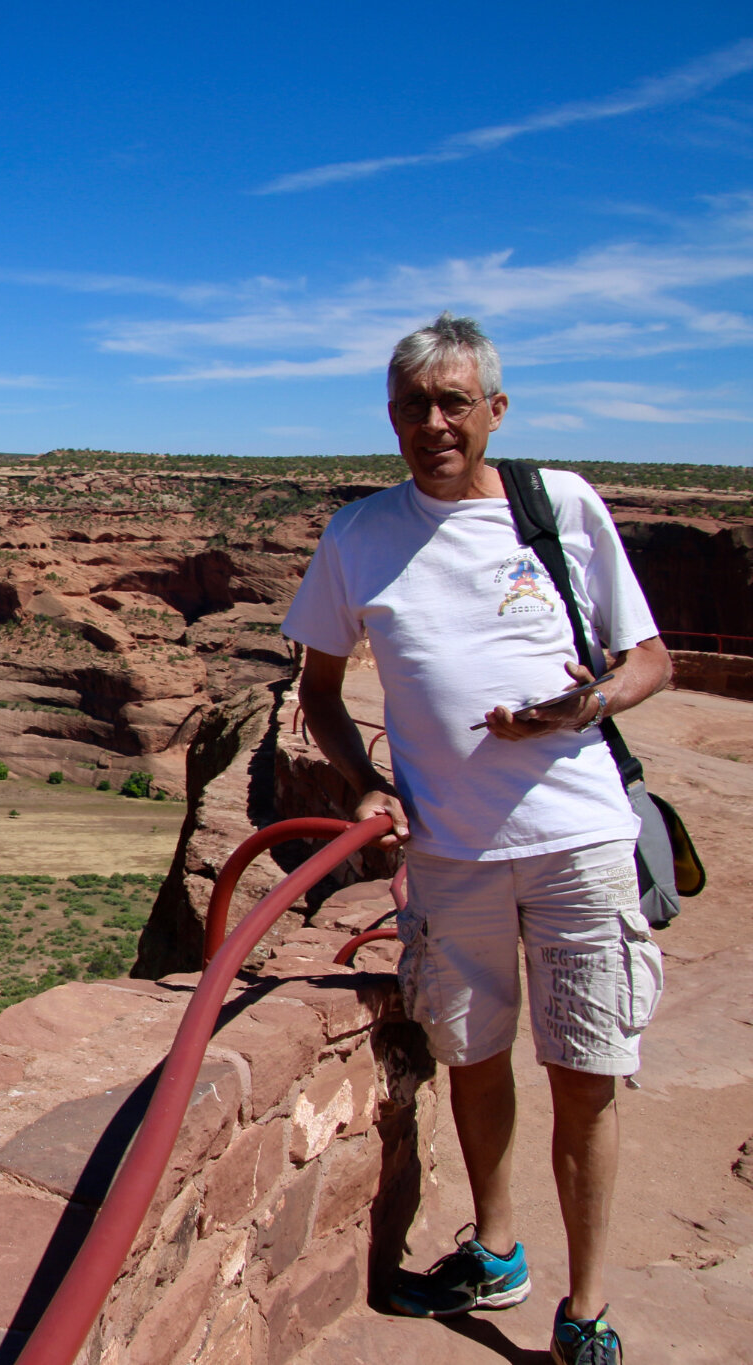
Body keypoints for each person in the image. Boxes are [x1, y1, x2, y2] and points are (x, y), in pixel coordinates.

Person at [281, 312, 670, 1365]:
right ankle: (497, 1251)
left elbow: (649, 661)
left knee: (585, 1071)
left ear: (494, 410)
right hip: (448, 853)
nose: (433, 422)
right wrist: (365, 785)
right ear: (389, 419)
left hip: (578, 838)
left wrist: (583, 705)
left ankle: (585, 1313)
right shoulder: (357, 535)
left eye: (454, 402)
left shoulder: (560, 507)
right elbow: (317, 689)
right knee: (473, 1058)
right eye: (413, 405)